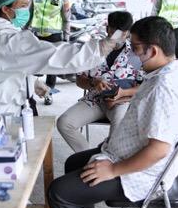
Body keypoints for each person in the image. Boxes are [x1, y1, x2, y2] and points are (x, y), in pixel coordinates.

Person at [48, 16, 178, 208]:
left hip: (143, 172)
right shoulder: (170, 72)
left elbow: (159, 150)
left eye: (136, 47)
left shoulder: (163, 88)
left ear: (153, 51)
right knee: (73, 163)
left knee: (60, 192)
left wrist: (112, 170)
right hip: (127, 151)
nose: (133, 52)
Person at [0, 0, 119, 118]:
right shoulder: (8, 40)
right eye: (22, 6)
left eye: (27, 5)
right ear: (6, 9)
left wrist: (32, 82)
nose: (26, 10)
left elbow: (1, 70)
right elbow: (53, 55)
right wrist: (98, 49)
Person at [57, 11, 142, 152]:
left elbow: (144, 86)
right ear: (107, 28)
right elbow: (79, 81)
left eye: (123, 33)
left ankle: (109, 160)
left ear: (128, 33)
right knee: (64, 122)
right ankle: (86, 156)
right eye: (114, 31)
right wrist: (92, 82)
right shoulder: (93, 50)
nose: (118, 36)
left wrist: (122, 94)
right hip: (95, 100)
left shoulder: (136, 53)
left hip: (121, 102)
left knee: (120, 124)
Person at [28, 0, 71, 105]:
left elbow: (66, 20)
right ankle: (31, 93)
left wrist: (66, 39)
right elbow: (29, 16)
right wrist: (24, 32)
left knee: (52, 68)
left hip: (55, 36)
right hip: (37, 36)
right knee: (34, 66)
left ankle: (49, 94)